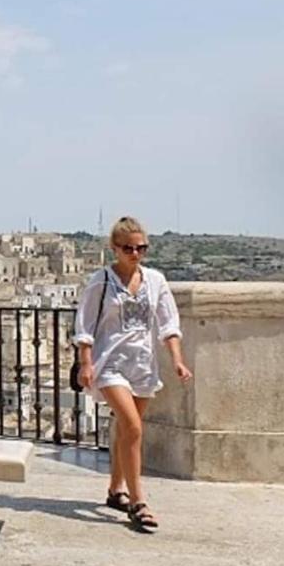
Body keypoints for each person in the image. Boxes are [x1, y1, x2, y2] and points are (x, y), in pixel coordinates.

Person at [74, 216, 192, 534]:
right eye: (128, 248)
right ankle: (139, 503)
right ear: (114, 248)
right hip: (109, 363)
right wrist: (86, 363)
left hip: (142, 365)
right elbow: (84, 326)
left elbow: (169, 325)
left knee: (127, 433)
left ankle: (116, 491)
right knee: (133, 427)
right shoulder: (101, 281)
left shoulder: (155, 281)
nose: (135, 253)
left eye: (141, 247)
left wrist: (177, 361)